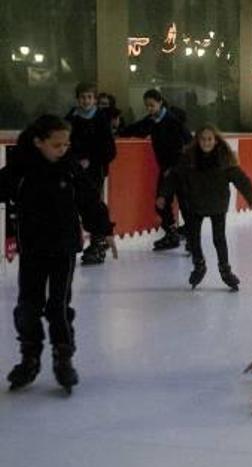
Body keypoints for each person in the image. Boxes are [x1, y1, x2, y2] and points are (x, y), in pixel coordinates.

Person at [2, 115, 117, 393]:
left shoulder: (71, 168)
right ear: (38, 142)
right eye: (57, 145)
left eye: (66, 144)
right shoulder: (21, 169)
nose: (63, 149)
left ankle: (62, 358)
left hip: (64, 248)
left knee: (58, 306)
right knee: (28, 306)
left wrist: (104, 229)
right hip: (32, 247)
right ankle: (29, 357)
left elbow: (90, 200)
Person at [159, 125, 252, 291]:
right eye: (202, 139)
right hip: (194, 203)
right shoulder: (188, 158)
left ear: (216, 140)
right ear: (197, 141)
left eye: (209, 139)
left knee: (219, 238)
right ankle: (199, 265)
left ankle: (225, 270)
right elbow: (173, 177)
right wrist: (163, 195)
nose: (206, 142)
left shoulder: (224, 159)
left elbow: (241, 179)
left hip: (217, 204)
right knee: (193, 237)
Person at [120, 89, 193, 251]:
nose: (149, 109)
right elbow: (136, 128)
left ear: (160, 102)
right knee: (161, 203)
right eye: (147, 106)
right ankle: (172, 233)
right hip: (166, 169)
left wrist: (177, 167)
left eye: (152, 105)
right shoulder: (152, 121)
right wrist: (118, 132)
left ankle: (191, 236)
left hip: (178, 169)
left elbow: (188, 141)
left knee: (184, 202)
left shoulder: (173, 121)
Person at [65, 82, 117, 265]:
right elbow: (64, 142)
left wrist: (92, 160)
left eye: (89, 97)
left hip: (95, 171)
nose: (86, 101)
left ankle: (97, 242)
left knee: (93, 205)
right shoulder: (71, 118)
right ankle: (84, 241)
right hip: (74, 171)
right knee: (76, 205)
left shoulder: (101, 118)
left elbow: (110, 149)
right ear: (77, 99)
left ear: (94, 99)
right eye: (82, 97)